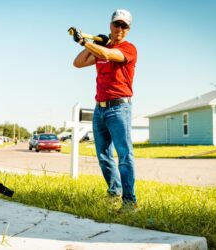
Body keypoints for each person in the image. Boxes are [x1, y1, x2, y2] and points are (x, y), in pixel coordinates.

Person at [70, 9, 137, 209]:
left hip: (119, 108)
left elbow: (109, 54)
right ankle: (113, 192)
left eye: (124, 26)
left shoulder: (128, 48)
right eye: (117, 24)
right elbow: (78, 63)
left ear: (128, 29)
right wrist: (95, 44)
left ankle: (129, 202)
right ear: (111, 26)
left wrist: (85, 42)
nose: (120, 29)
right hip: (100, 109)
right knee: (103, 156)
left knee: (124, 155)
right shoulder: (100, 50)